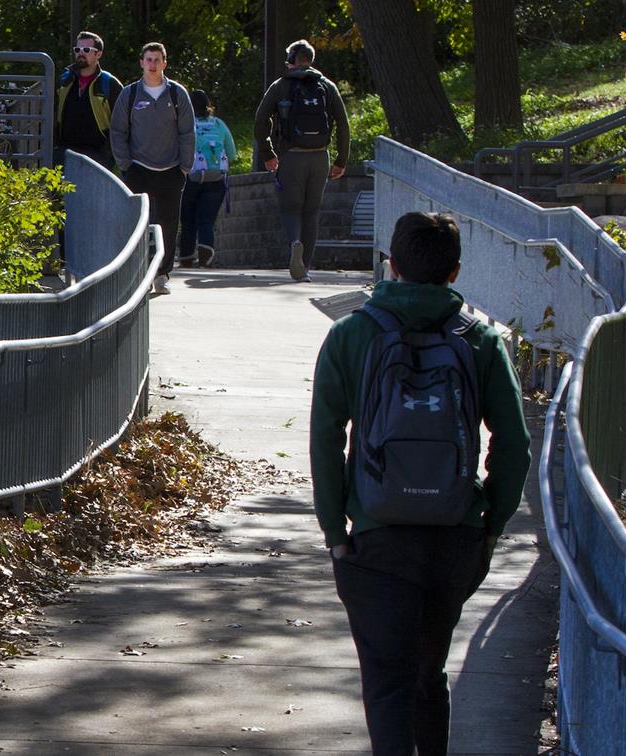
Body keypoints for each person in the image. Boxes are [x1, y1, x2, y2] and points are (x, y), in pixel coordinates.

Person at [309, 212, 532, 756]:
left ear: (391, 264)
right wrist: (491, 525)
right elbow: (516, 444)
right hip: (454, 537)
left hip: (377, 541)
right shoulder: (479, 340)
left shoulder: (351, 334)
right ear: (454, 272)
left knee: (387, 684)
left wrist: (336, 531)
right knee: (428, 676)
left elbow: (325, 440)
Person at [253, 39, 351, 282]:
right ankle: (305, 267)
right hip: (319, 157)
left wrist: (267, 154)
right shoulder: (327, 86)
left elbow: (260, 120)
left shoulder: (281, 86)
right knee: (312, 211)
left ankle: (295, 242)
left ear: (293, 60)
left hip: (291, 157)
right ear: (311, 59)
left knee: (290, 207)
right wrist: (341, 159)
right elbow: (343, 124)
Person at [109, 42, 194, 295]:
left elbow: (187, 132)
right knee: (138, 223)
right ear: (142, 63)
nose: (153, 64)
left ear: (165, 63)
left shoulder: (178, 94)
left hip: (171, 169)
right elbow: (118, 131)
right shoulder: (130, 94)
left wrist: (185, 167)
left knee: (168, 223)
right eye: (148, 59)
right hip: (138, 168)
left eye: (158, 59)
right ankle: (138, 273)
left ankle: (162, 274)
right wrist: (125, 164)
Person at [178, 89, 234, 267]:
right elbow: (231, 154)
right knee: (206, 220)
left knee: (187, 221)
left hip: (189, 178)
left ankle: (186, 258)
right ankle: (205, 258)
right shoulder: (218, 124)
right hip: (216, 179)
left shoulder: (185, 124)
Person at [53, 31, 121, 171]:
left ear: (98, 54)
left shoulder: (109, 83)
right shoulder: (65, 80)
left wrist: (112, 157)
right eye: (77, 49)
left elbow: (123, 124)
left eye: (86, 50)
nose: (80, 53)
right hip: (64, 154)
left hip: (98, 158)